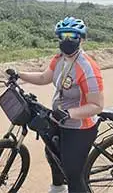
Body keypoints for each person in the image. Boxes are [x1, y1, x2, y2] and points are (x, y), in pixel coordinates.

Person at [8, 17, 104, 193]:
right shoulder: (60, 59)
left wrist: (69, 113)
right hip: (59, 119)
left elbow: (96, 105)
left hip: (79, 127)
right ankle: (58, 189)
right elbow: (45, 77)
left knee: (74, 177)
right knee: (53, 155)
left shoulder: (89, 69)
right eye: (63, 36)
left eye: (72, 36)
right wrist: (19, 75)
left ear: (81, 39)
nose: (67, 40)